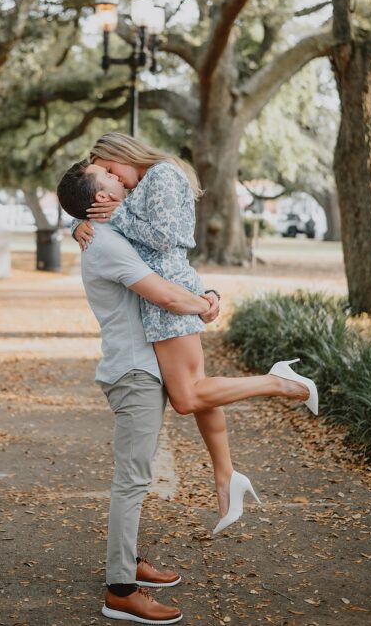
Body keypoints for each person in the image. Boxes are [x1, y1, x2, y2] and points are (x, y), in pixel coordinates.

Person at [69, 134, 317, 532]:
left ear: (123, 154)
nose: (115, 183)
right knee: (198, 392)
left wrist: (115, 215)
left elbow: (168, 238)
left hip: (171, 294)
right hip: (165, 295)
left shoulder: (163, 175)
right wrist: (78, 224)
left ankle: (277, 381)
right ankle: (226, 477)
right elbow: (93, 205)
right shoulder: (139, 186)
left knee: (187, 397)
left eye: (112, 171)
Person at [58, 158, 226, 624]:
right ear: (99, 201)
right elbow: (165, 295)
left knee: (135, 477)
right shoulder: (108, 244)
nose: (120, 178)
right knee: (131, 481)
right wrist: (207, 306)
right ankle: (121, 590)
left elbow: (168, 267)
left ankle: (127, 561)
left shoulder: (109, 233)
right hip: (134, 374)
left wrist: (205, 294)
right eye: (109, 177)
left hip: (139, 368)